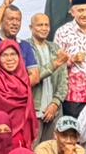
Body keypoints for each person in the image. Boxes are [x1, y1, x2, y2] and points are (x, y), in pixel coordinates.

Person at [26, 12, 68, 146]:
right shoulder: (25, 48)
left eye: (46, 25)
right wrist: (54, 64)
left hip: (54, 110)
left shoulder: (55, 48)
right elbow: (32, 78)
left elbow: (64, 80)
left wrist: (55, 103)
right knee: (32, 150)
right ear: (31, 27)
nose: (44, 28)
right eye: (40, 25)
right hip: (34, 109)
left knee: (52, 150)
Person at [0, 0, 40, 72]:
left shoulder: (25, 45)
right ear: (1, 21)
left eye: (18, 20)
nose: (15, 23)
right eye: (11, 19)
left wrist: (16, 80)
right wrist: (4, 5)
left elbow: (34, 74)